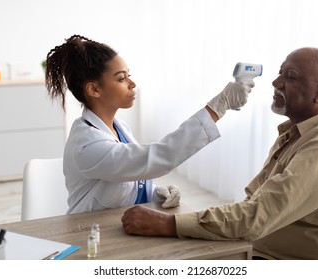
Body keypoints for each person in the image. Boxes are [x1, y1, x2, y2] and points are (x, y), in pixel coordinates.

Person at [121, 47, 318, 260]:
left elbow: (257, 216)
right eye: (280, 72)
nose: (276, 82)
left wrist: (168, 224)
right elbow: (255, 200)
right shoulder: (298, 131)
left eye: (290, 76)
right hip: (260, 248)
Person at [45, 35, 254, 214]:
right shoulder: (86, 145)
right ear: (94, 90)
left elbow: (129, 177)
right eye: (121, 79)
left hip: (119, 227)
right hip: (91, 238)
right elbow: (156, 158)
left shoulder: (118, 128)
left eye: (129, 75)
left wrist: (156, 193)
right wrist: (219, 106)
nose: (132, 83)